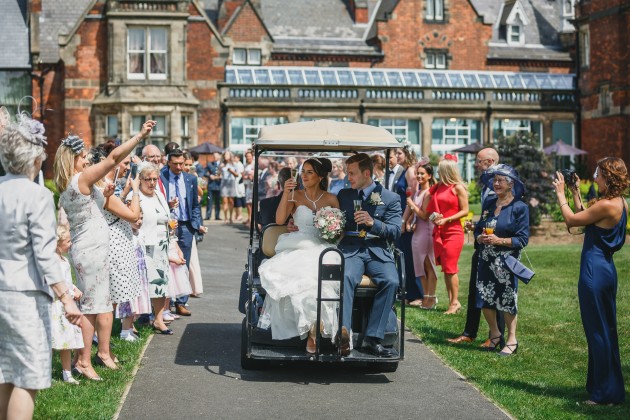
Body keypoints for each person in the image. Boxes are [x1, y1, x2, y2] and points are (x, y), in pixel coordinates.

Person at [54, 120, 155, 379]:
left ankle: (84, 358)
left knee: (95, 305)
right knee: (91, 307)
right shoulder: (80, 179)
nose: (87, 161)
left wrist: (107, 194)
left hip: (90, 249)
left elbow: (90, 212)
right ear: (73, 159)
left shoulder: (69, 184)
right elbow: (112, 158)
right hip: (91, 251)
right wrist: (139, 136)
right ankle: (84, 361)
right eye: (84, 158)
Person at [0, 109, 82, 419]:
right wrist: (66, 298)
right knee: (27, 376)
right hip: (24, 295)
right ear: (34, 160)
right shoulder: (37, 196)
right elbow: (45, 254)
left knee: (5, 370)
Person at [553, 157, 628, 405]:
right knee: (604, 329)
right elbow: (587, 215)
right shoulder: (618, 202)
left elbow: (573, 221)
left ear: (608, 177)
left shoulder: (607, 205)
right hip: (605, 269)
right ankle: (605, 386)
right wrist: (576, 192)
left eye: (597, 173)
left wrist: (561, 193)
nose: (594, 177)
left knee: (597, 331)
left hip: (594, 271)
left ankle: (603, 393)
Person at [257, 158, 340, 353]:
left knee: (321, 277)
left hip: (322, 245)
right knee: (303, 277)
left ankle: (315, 328)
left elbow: (339, 231)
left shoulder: (331, 199)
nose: (304, 175)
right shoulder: (295, 195)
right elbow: (279, 219)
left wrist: (331, 231)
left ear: (320, 177)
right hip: (298, 243)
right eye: (303, 171)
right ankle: (311, 328)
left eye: (309, 172)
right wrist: (286, 192)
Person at [338, 153, 402, 357]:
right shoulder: (344, 195)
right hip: (351, 250)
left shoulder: (390, 198)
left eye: (352, 173)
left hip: (377, 251)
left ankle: (373, 338)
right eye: (348, 173)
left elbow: (395, 231)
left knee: (392, 281)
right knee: (346, 277)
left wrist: (373, 223)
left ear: (367, 173)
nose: (349, 177)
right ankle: (343, 334)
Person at [447, 147, 505, 346]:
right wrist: (478, 225)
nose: (475, 164)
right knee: (475, 289)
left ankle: (495, 336)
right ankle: (469, 332)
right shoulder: (486, 184)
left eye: (478, 161)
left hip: (495, 247)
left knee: (494, 291)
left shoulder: (501, 183)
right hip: (482, 244)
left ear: (489, 162)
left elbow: (502, 216)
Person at [475, 165, 529, 356]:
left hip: (506, 261)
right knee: (485, 298)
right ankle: (496, 334)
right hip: (486, 259)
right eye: (495, 180)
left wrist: (499, 241)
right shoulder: (489, 203)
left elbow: (522, 239)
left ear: (510, 184)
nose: (496, 184)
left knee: (507, 300)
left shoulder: (519, 207)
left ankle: (512, 339)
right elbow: (479, 227)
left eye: (501, 180)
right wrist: (479, 237)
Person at [160, 148, 206, 316]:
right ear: (168, 163)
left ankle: (181, 301)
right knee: (167, 262)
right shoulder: (161, 178)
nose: (179, 167)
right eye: (176, 164)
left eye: (181, 163)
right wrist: (168, 204)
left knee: (183, 263)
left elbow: (195, 204)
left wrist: (195, 223)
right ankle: (167, 302)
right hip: (167, 225)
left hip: (186, 225)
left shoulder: (191, 179)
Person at [426, 154, 469, 314]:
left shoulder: (457, 188)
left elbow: (465, 210)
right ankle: (452, 301)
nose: (438, 173)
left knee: (451, 268)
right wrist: (436, 217)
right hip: (440, 230)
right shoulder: (439, 187)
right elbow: (429, 206)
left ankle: (455, 302)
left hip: (453, 231)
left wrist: (447, 219)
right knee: (445, 268)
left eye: (441, 170)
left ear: (447, 171)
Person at [136, 162, 173, 334]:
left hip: (161, 245)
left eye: (154, 179)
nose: (151, 183)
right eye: (147, 179)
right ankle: (135, 321)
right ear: (140, 179)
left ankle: (158, 320)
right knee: (144, 284)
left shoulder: (158, 194)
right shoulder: (136, 197)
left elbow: (165, 215)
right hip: (146, 245)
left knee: (161, 284)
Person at [52, 225, 84, 385]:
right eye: (68, 241)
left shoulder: (64, 260)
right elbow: (54, 287)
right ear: (58, 244)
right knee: (52, 340)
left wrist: (74, 288)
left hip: (67, 306)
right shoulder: (53, 263)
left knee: (67, 343)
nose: (70, 244)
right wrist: (71, 294)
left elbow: (66, 282)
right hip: (57, 308)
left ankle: (67, 373)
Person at [403, 160, 438, 309]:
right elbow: (415, 215)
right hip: (417, 233)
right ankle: (425, 296)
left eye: (422, 173)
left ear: (429, 176)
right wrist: (409, 221)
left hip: (427, 232)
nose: (418, 176)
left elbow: (424, 215)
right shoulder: (417, 192)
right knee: (419, 267)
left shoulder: (429, 193)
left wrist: (411, 205)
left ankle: (431, 296)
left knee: (428, 264)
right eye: (417, 173)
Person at [391, 147, 422, 306]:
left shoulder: (410, 171)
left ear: (407, 154)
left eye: (399, 153)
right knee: (402, 255)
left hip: (406, 218)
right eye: (395, 154)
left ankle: (417, 294)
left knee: (409, 257)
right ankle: (407, 292)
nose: (396, 156)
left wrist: (405, 220)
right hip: (400, 216)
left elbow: (414, 198)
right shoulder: (404, 170)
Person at [219, 150, 238, 223]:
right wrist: (220, 168)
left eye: (227, 155)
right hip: (224, 182)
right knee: (224, 201)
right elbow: (218, 174)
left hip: (231, 182)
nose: (225, 156)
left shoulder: (234, 164)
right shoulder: (221, 164)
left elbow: (237, 175)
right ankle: (226, 218)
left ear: (230, 156)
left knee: (231, 201)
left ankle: (230, 217)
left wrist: (231, 171)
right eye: (225, 155)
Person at [205, 151, 222, 220]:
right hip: (211, 186)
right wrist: (209, 175)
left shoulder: (222, 164)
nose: (215, 157)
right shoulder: (209, 164)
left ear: (219, 156)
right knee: (209, 201)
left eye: (216, 155)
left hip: (219, 185)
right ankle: (208, 215)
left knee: (217, 202)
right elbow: (204, 172)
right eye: (214, 156)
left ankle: (217, 216)